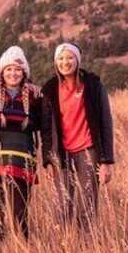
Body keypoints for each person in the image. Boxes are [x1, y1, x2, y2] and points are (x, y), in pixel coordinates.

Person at [40, 42, 114, 232]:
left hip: (88, 152)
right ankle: (64, 249)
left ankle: (86, 251)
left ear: (77, 60)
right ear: (56, 62)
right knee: (63, 206)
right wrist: (48, 159)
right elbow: (46, 128)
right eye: (61, 58)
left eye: (70, 57)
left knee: (86, 206)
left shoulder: (93, 85)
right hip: (61, 155)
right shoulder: (49, 89)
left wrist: (106, 161)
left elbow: (105, 122)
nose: (66, 62)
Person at [0, 46, 41, 240]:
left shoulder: (35, 97)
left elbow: (45, 126)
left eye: (18, 69)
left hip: (20, 162)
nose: (13, 73)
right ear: (2, 72)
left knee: (20, 214)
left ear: (24, 73)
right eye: (9, 69)